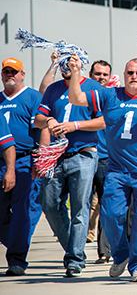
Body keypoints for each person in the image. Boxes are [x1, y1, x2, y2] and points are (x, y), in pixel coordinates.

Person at [67, 55, 137, 282]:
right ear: (124, 74)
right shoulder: (110, 95)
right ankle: (121, 255)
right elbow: (76, 98)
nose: (134, 76)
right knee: (110, 215)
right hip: (117, 169)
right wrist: (76, 71)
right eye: (130, 72)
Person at [34, 57, 105, 278]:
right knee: (49, 203)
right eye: (62, 64)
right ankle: (75, 250)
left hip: (83, 154)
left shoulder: (93, 87)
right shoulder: (53, 89)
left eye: (70, 63)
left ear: (79, 64)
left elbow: (103, 121)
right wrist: (49, 122)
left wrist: (74, 125)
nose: (66, 67)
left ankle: (74, 258)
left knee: (80, 207)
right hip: (55, 156)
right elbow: (37, 118)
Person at [0, 57, 45, 276]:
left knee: (21, 210)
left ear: (22, 74)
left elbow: (42, 128)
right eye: (6, 71)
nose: (10, 74)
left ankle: (17, 259)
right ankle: (17, 244)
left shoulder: (32, 97)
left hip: (24, 161)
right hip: (0, 161)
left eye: (14, 71)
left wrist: (40, 159)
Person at [87, 60, 112, 264]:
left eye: (105, 74)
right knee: (81, 204)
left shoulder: (112, 98)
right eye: (98, 74)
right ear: (90, 74)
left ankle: (104, 251)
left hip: (105, 158)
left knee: (106, 204)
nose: (101, 77)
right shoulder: (84, 97)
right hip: (83, 155)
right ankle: (75, 249)